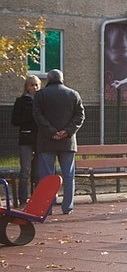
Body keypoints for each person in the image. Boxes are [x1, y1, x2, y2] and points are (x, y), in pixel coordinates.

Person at [32, 69, 84, 215]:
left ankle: (47, 208)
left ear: (48, 79)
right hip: (67, 142)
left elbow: (37, 115)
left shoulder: (40, 95)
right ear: (62, 79)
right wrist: (67, 131)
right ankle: (67, 207)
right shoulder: (73, 94)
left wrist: (51, 131)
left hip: (47, 141)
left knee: (47, 177)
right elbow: (80, 116)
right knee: (68, 175)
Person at [10, 75, 41, 208]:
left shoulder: (41, 101)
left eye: (36, 85)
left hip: (39, 139)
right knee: (25, 171)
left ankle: (36, 198)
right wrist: (29, 117)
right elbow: (15, 120)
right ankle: (23, 200)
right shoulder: (21, 101)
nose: (34, 88)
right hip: (26, 138)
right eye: (32, 85)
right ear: (27, 87)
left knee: (38, 171)